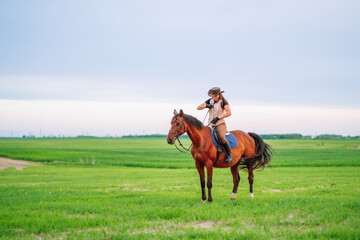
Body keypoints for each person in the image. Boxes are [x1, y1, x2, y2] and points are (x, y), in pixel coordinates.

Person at [197, 87, 233, 163]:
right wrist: (206, 106)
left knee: (221, 137)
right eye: (212, 96)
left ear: (219, 95)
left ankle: (230, 155)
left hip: (220, 124)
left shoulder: (223, 102)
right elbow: (198, 107)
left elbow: (229, 112)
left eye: (215, 96)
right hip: (210, 124)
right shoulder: (210, 101)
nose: (213, 97)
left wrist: (218, 117)